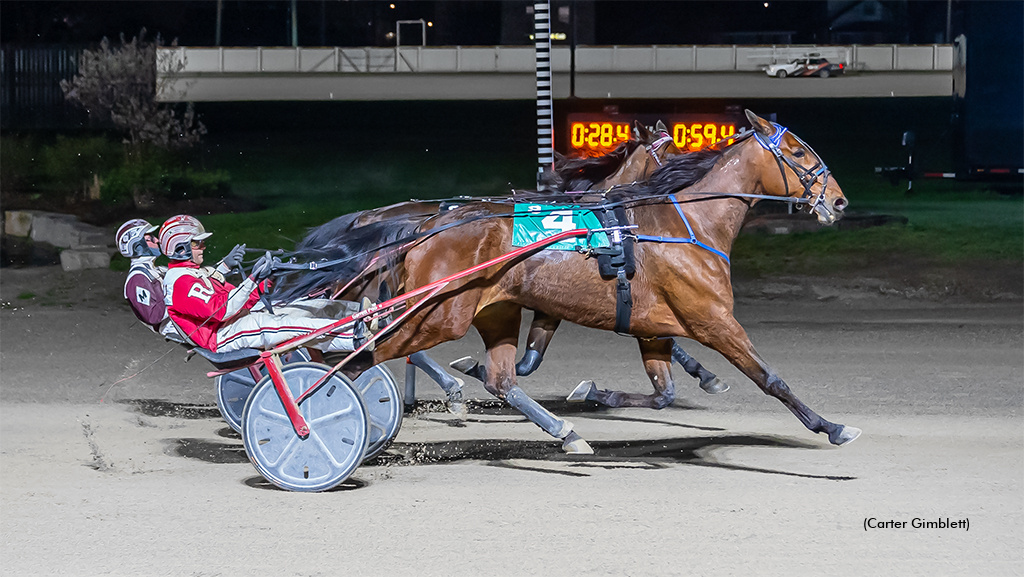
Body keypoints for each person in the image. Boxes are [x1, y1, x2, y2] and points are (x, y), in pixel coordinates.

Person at [158, 214, 372, 354]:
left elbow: (241, 301)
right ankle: (354, 335)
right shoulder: (181, 283)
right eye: (197, 243)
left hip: (235, 321)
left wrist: (265, 278)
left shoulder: (194, 273)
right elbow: (221, 311)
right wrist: (253, 279)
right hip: (221, 335)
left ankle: (364, 313)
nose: (203, 246)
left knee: (305, 307)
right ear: (180, 248)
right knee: (287, 326)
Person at [116, 218, 173, 336]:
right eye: (149, 238)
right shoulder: (138, 279)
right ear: (137, 247)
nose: (156, 240)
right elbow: (153, 316)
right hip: (177, 327)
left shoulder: (155, 270)